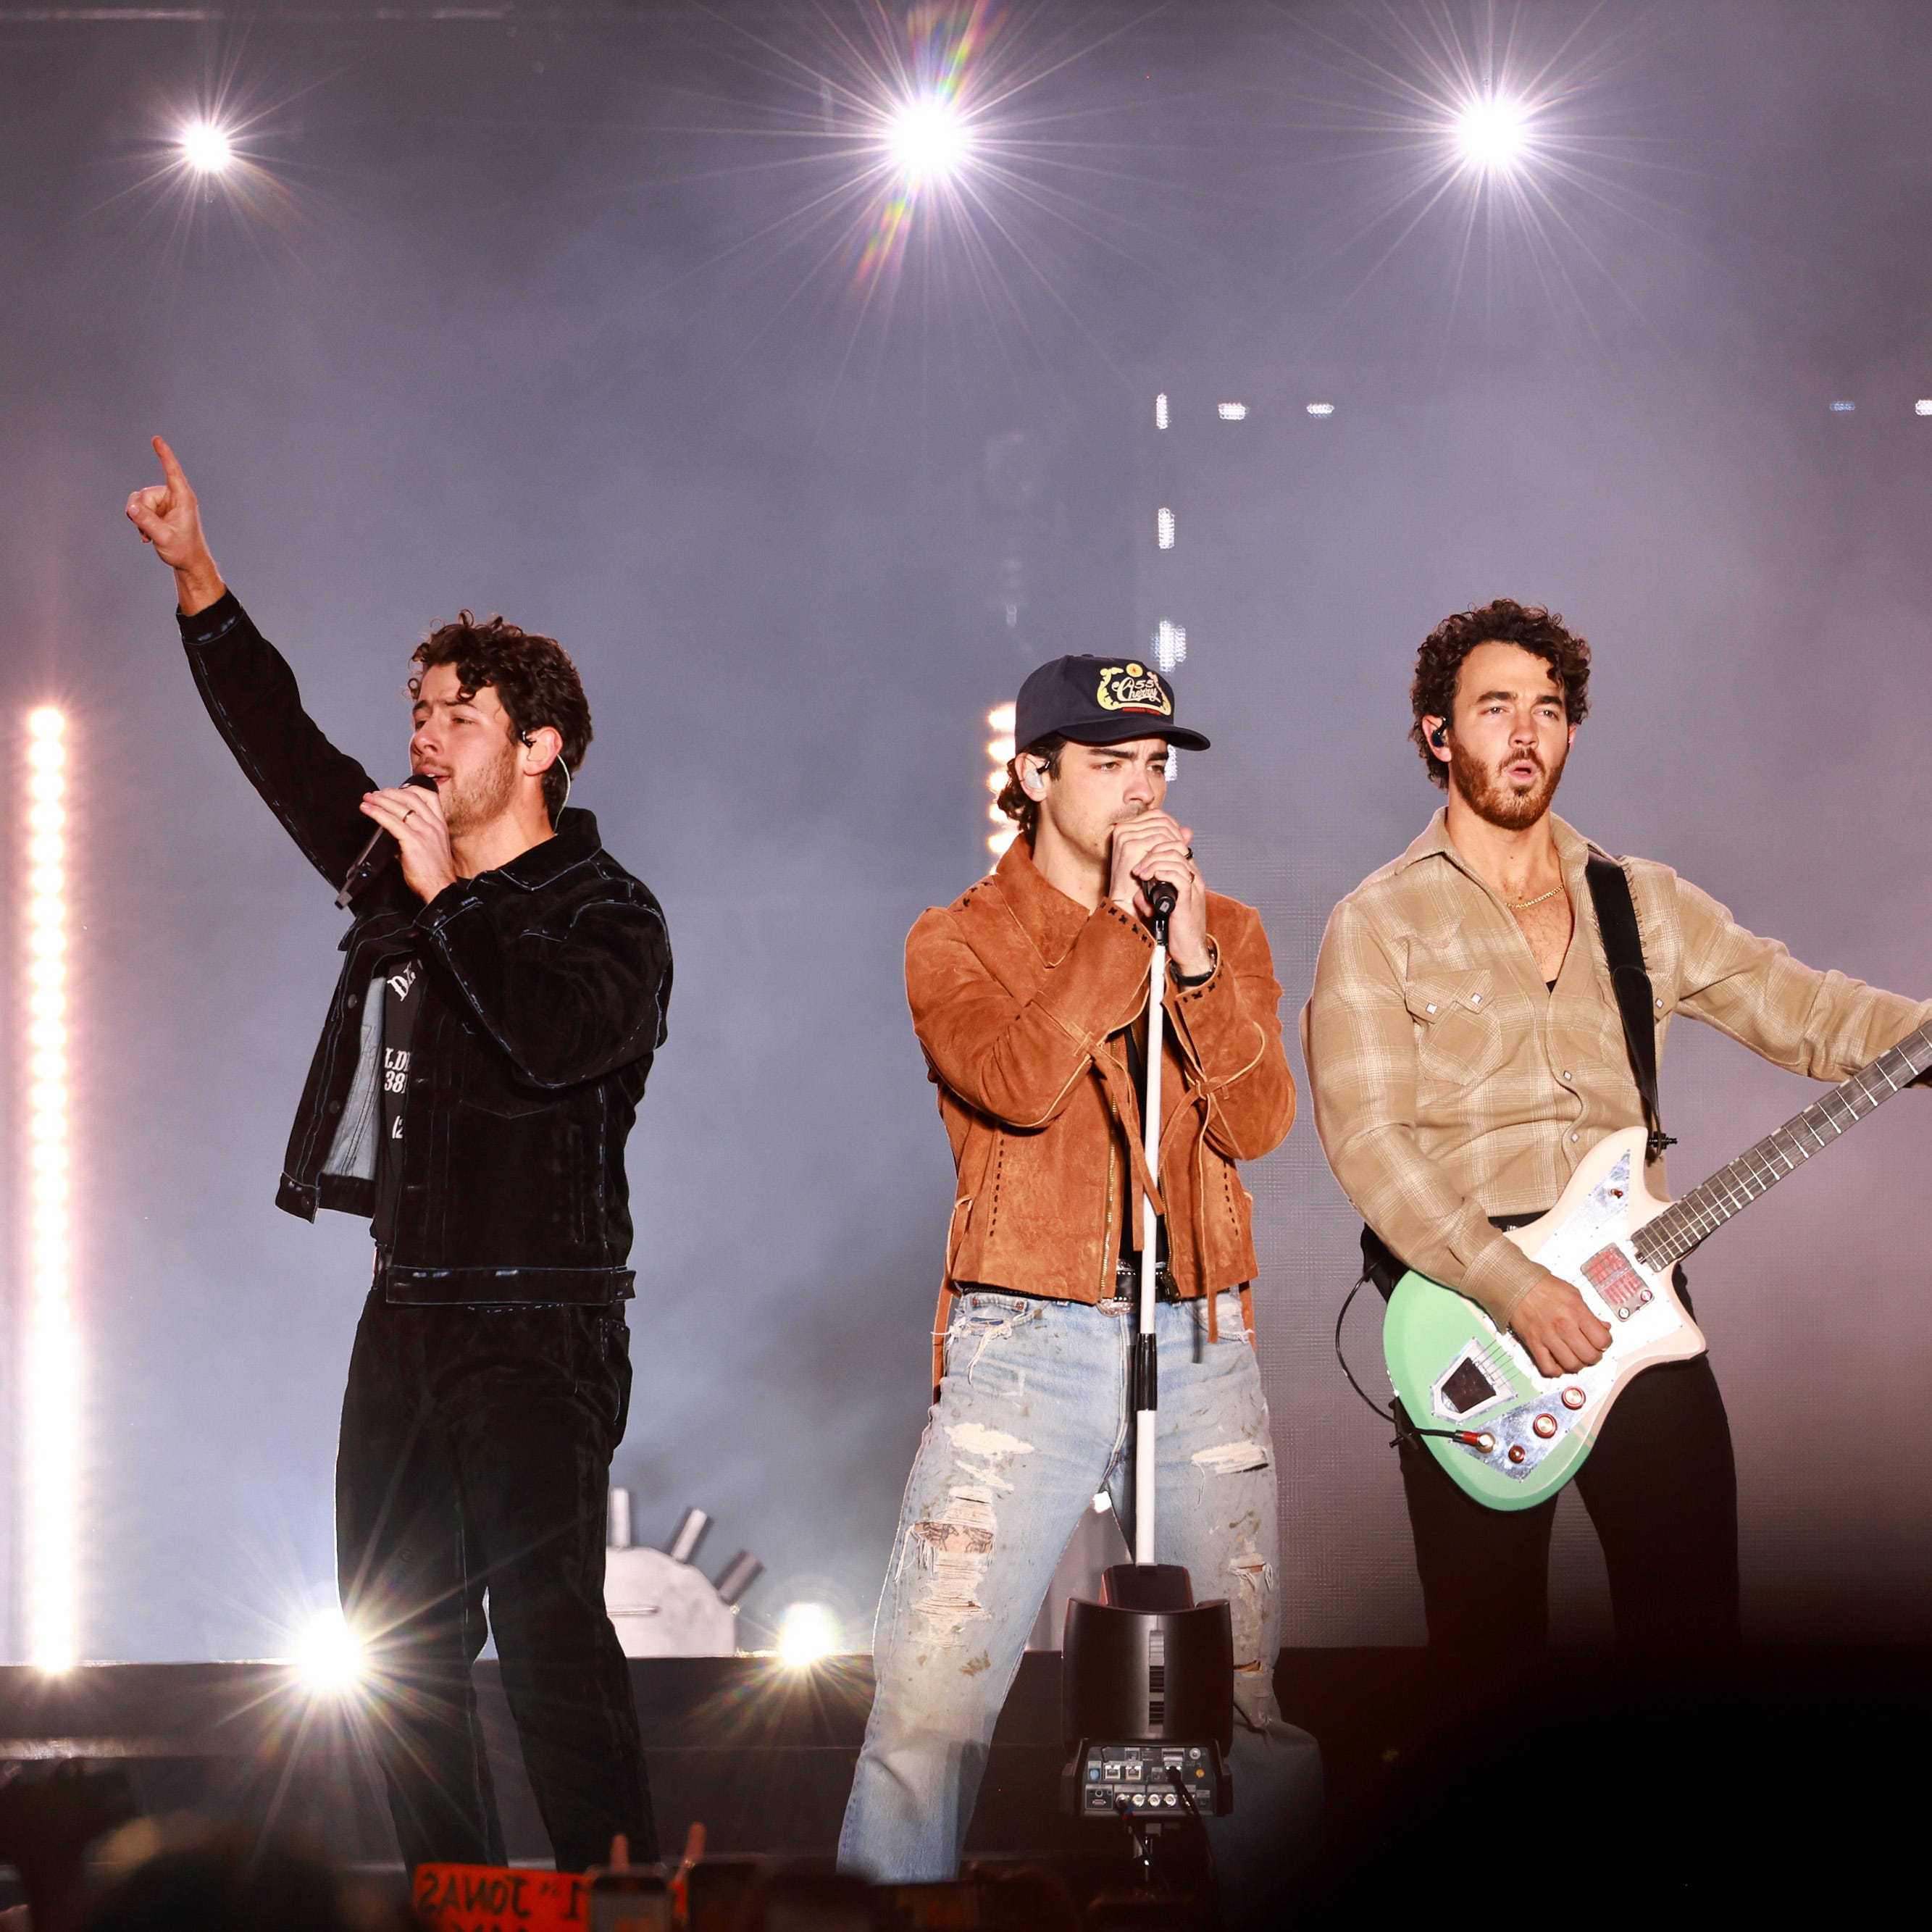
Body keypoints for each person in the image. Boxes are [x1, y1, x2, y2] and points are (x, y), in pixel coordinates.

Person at [124, 437, 667, 1873]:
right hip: (407, 1306)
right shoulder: (395, 865)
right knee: (398, 1639)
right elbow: (292, 752)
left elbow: (555, 1041)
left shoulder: (606, 908)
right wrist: (199, 582)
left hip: (540, 1316)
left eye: (458, 714)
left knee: (548, 1624)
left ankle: (619, 1898)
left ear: (539, 743)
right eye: (418, 711)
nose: (425, 738)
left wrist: (450, 898)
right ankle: (460, 1899)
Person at [1301, 598, 1931, 1654]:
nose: (1525, 733)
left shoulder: (1640, 901)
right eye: (1494, 708)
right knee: (1489, 1674)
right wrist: (1516, 1285)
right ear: (1438, 734)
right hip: (1471, 1311)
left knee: (1692, 1644)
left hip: (1639, 1300)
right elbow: (1368, 1143)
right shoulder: (1378, 921)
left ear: (1572, 729)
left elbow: (1810, 1013)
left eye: (1547, 709)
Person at [840, 655, 1318, 1908]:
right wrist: (1121, 933)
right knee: (931, 1704)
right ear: (1035, 775)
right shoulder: (957, 938)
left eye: (1157, 764)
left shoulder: (1229, 933)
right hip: (1026, 1344)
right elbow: (1012, 1080)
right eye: (1109, 765)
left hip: (1203, 1341)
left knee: (1245, 1708)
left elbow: (1262, 1123)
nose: (1141, 791)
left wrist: (1201, 963)